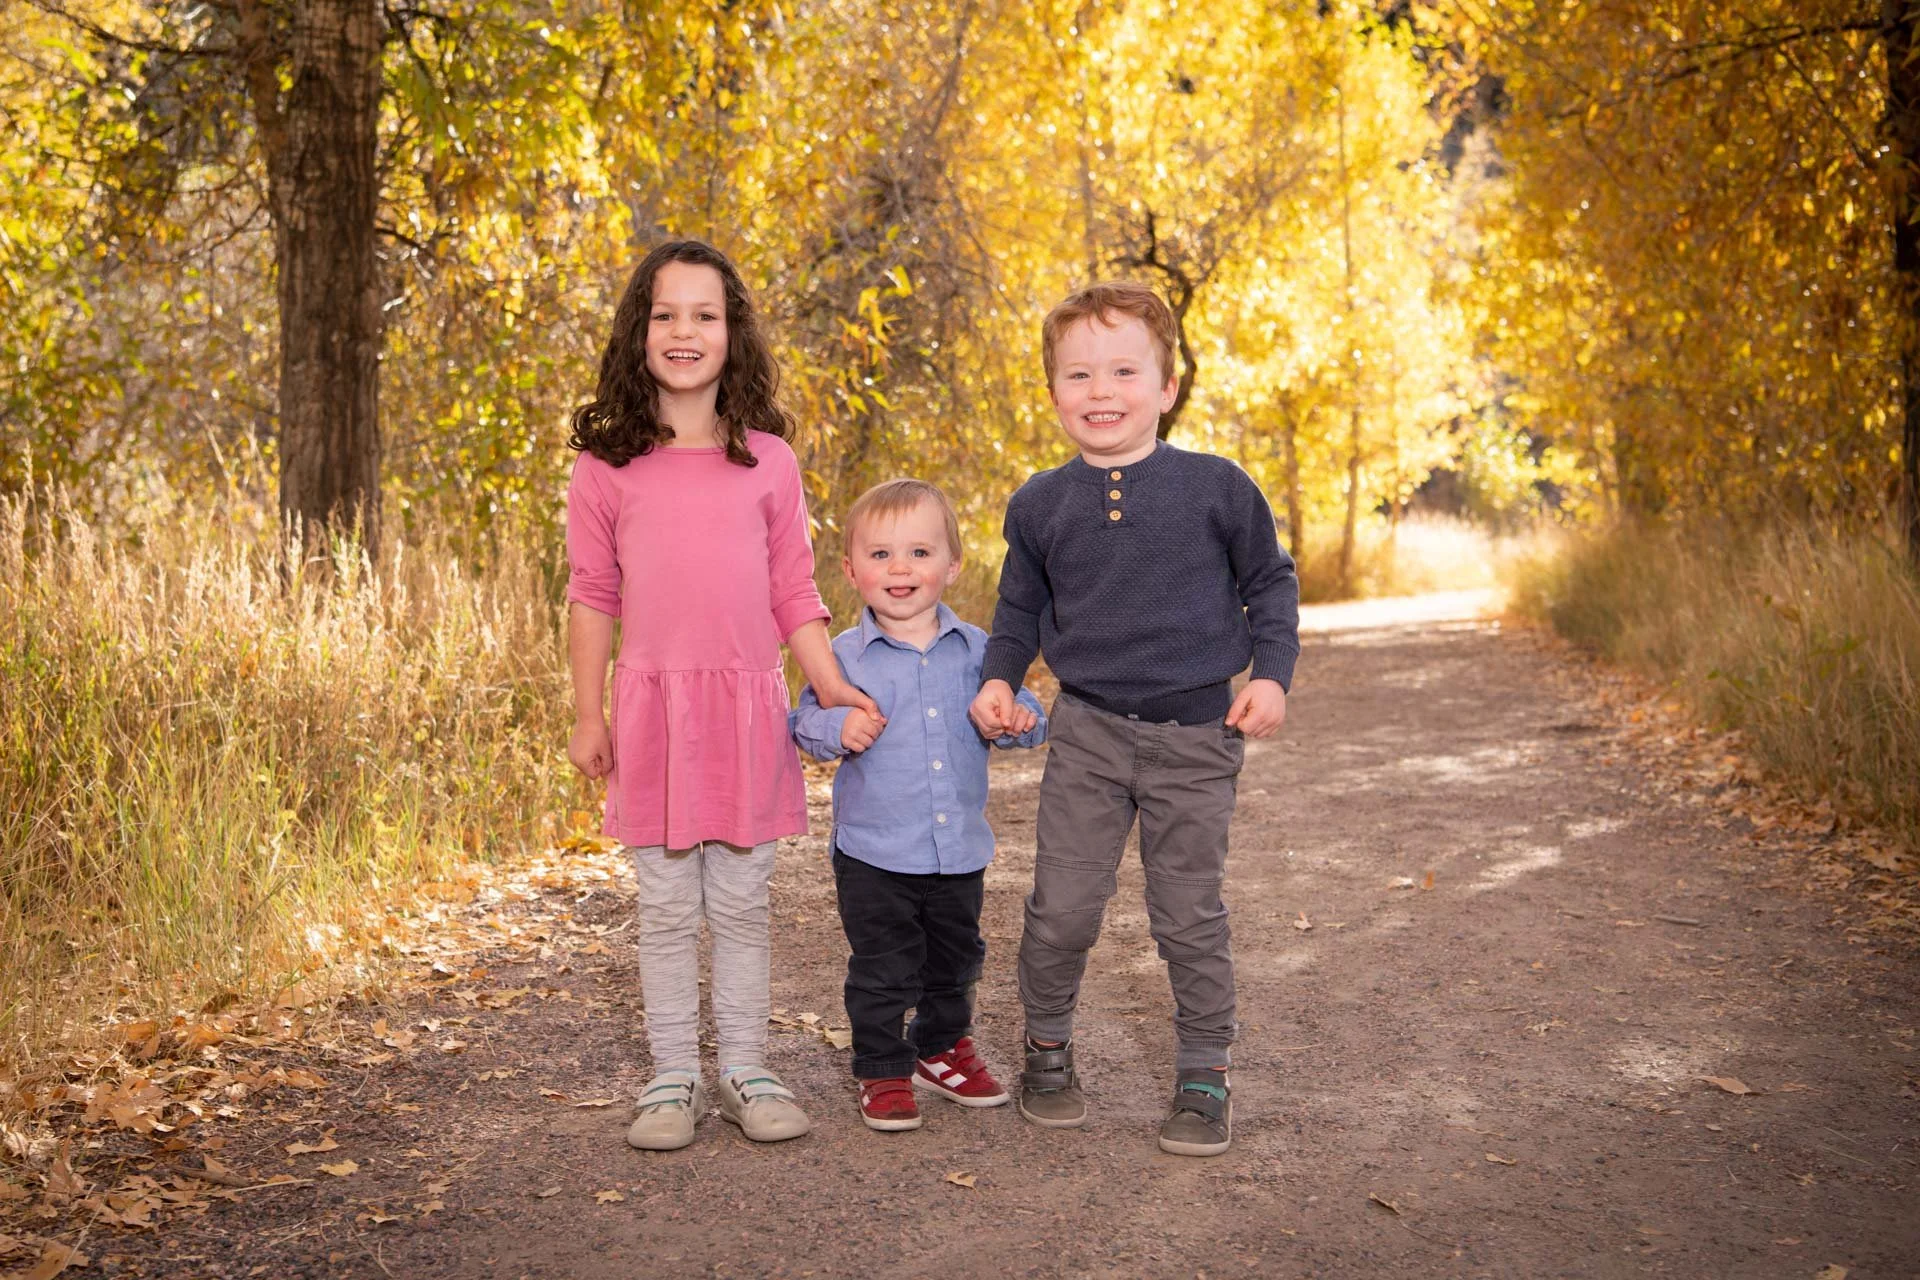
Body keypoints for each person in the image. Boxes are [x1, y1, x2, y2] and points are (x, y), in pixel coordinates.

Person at [968, 281, 1299, 1157]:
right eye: (1079, 374)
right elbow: (1017, 610)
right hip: (1087, 734)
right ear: (1053, 392)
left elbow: (1270, 585)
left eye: (1124, 371)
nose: (1101, 391)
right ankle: (1047, 1049)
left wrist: (1272, 677)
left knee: (1186, 912)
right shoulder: (1040, 504)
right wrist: (1000, 678)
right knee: (1063, 907)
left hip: (1197, 739)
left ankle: (1203, 1073)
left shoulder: (1218, 488)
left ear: (1167, 387)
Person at [565, 239, 880, 1152]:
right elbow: (591, 596)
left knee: (741, 904)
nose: (684, 330)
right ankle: (672, 1077)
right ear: (639, 332)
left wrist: (833, 687)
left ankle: (745, 1068)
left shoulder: (768, 463)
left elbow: (794, 592)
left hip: (745, 714)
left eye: (704, 314)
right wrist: (587, 714)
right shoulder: (606, 468)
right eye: (665, 314)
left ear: (732, 333)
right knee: (667, 908)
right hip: (653, 715)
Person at [791, 479, 1046, 1132]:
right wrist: (838, 728)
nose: (899, 568)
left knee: (955, 961)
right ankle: (882, 1066)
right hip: (874, 851)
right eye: (880, 555)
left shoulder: (980, 650)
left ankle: (940, 1048)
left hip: (957, 848)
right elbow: (804, 722)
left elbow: (1026, 708)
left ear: (952, 564)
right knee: (883, 967)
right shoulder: (840, 657)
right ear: (850, 570)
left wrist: (1016, 718)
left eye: (919, 552)